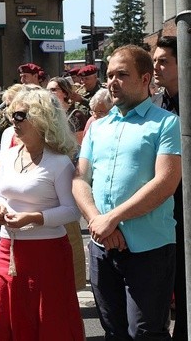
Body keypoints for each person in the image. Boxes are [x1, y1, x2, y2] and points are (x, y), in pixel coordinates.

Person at [72, 44, 181, 340]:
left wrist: (113, 218)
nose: (112, 82)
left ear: (145, 79)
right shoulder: (98, 128)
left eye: (122, 74)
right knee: (113, 331)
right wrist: (98, 222)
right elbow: (80, 180)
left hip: (150, 249)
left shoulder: (167, 123)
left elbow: (165, 183)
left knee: (146, 333)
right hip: (102, 246)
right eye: (109, 75)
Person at [0, 88, 84, 340]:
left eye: (20, 115)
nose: (14, 121)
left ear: (41, 118)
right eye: (12, 115)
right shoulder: (10, 152)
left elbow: (72, 211)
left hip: (47, 255)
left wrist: (33, 218)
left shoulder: (59, 162)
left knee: (48, 322)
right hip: (6, 249)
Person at [152, 35, 186, 341]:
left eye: (164, 61)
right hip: (165, 205)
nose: (157, 67)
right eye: (154, 61)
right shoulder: (155, 103)